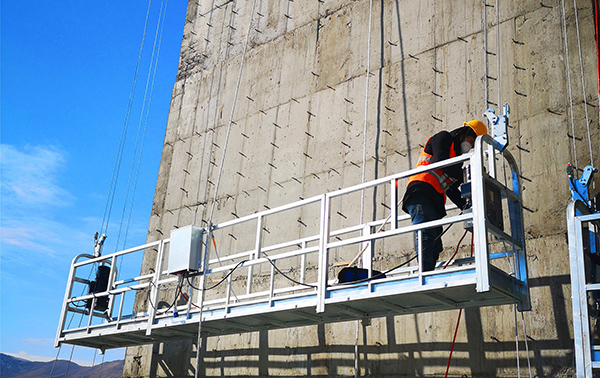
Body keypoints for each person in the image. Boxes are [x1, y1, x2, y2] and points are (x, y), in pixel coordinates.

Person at [402, 120, 488, 271]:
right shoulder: (443, 138)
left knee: (436, 244)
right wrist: (468, 173)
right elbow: (440, 162)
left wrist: (467, 205)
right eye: (472, 141)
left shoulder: (455, 158)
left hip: (433, 199)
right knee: (427, 235)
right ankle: (424, 274)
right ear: (465, 133)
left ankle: (428, 271)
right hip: (421, 191)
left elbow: (452, 189)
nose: (471, 146)